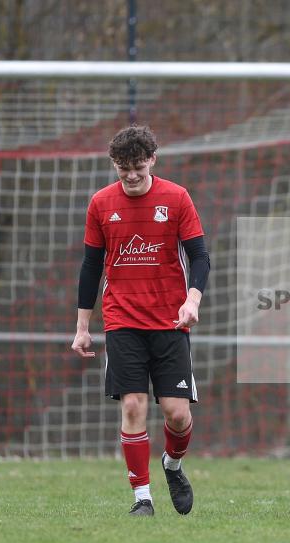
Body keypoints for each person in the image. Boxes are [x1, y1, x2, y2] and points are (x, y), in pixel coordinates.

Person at [71, 125, 210, 517]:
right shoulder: (101, 203)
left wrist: (192, 300)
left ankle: (173, 465)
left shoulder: (176, 197)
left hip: (170, 322)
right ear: (114, 164)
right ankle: (142, 498)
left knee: (177, 415)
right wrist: (82, 327)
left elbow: (200, 257)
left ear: (152, 160)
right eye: (123, 168)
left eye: (138, 167)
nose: (131, 175)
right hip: (122, 321)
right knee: (132, 405)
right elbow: (91, 267)